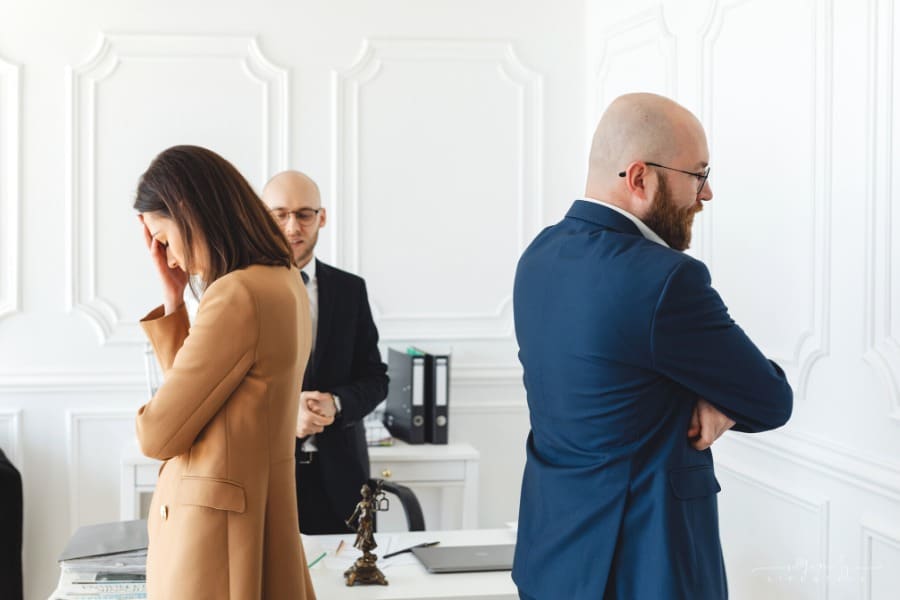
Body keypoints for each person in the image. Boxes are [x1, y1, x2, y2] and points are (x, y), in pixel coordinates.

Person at [511, 93, 793, 600]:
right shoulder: (666, 280)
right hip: (644, 567)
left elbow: (615, 381)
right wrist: (717, 393)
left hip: (551, 558)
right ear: (640, 178)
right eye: (698, 175)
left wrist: (709, 393)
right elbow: (771, 400)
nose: (706, 194)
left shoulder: (538, 257)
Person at [134, 145, 316, 599]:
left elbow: (159, 434)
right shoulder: (282, 280)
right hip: (245, 529)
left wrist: (147, 415)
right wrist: (175, 303)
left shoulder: (237, 294)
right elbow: (205, 402)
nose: (170, 259)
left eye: (164, 238)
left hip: (214, 544)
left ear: (189, 214)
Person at [261, 171, 389, 534]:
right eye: (279, 214)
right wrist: (288, 414)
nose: (292, 227)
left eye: (304, 214)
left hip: (344, 482)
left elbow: (376, 379)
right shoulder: (239, 291)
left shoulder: (350, 289)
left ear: (322, 217)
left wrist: (337, 403)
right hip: (267, 477)